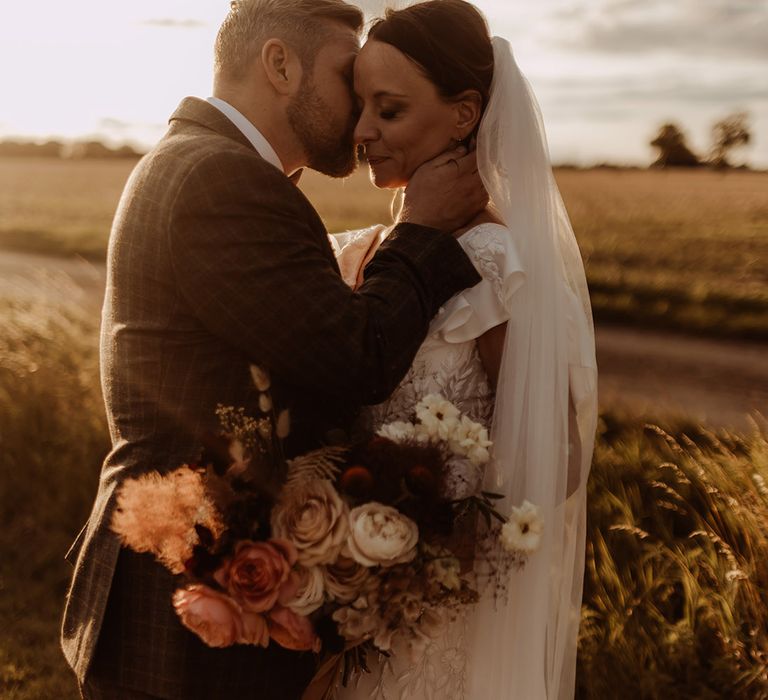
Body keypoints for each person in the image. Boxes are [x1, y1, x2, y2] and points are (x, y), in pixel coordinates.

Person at [60, 1, 489, 698]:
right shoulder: (219, 180)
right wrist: (422, 232)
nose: (360, 107)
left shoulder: (210, 166)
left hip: (198, 590)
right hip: (186, 608)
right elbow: (358, 357)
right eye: (347, 77)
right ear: (280, 65)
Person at [332, 1, 598, 698]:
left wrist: (436, 530)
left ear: (463, 115)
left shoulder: (494, 265)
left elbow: (558, 462)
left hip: (437, 619)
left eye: (388, 111)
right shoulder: (362, 253)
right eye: (359, 106)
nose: (361, 131)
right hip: (349, 607)